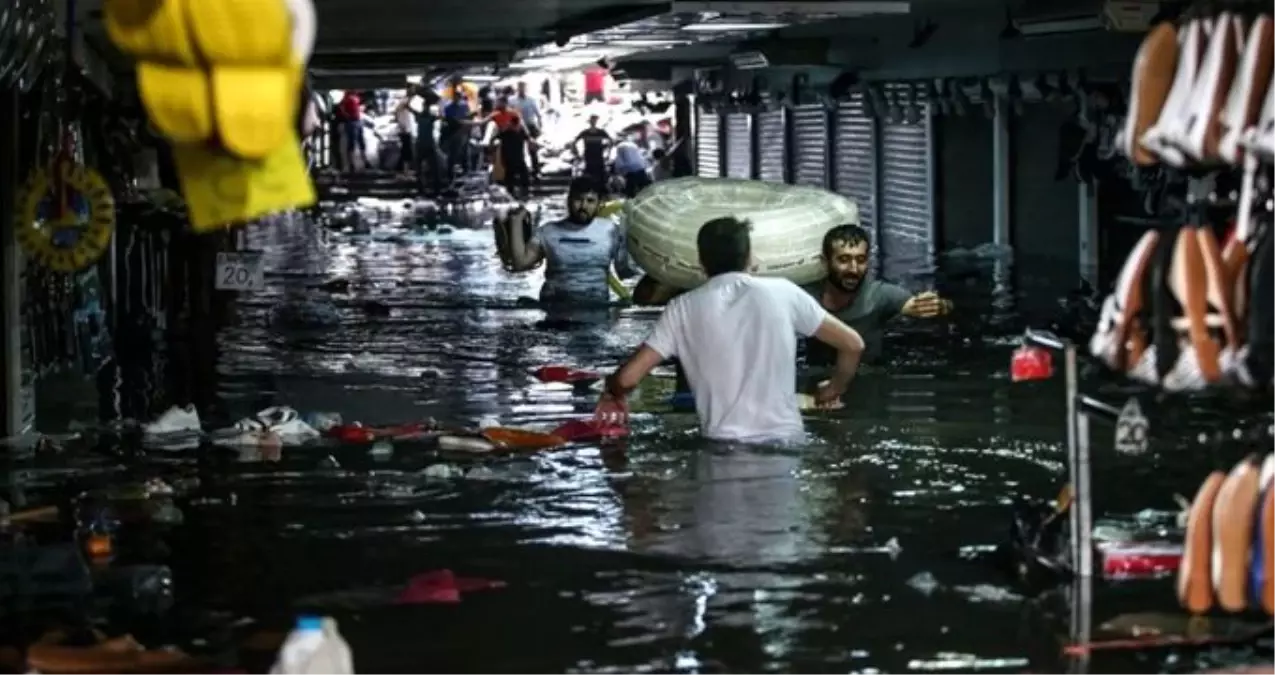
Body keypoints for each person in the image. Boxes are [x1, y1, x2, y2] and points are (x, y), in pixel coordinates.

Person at [595, 217, 866, 442]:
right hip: (786, 442)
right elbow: (853, 344)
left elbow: (628, 378)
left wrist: (612, 393)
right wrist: (832, 389)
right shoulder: (784, 292)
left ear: (701, 262)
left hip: (724, 448)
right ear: (749, 257)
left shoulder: (682, 308)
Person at [804, 224, 953, 366]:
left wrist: (938, 306)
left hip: (868, 374)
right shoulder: (806, 298)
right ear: (825, 262)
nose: (854, 269)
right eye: (844, 260)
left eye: (861, 260)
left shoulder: (878, 296)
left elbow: (915, 304)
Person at [505, 176, 636, 305]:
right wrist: (515, 223)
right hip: (554, 310)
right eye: (578, 200)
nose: (583, 206)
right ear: (568, 200)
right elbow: (520, 263)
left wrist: (634, 237)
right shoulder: (548, 231)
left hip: (596, 310)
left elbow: (625, 272)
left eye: (590, 201)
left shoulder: (612, 231)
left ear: (599, 204)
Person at [509, 80, 543, 177]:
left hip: (530, 126)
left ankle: (536, 170)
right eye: (520, 87)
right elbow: (510, 114)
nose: (521, 89)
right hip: (517, 127)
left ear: (526, 88)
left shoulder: (531, 100)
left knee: (532, 150)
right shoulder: (512, 100)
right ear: (517, 88)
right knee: (518, 150)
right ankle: (520, 171)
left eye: (523, 87)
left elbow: (538, 114)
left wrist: (540, 127)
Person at [496, 115, 533, 200]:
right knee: (510, 176)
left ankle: (525, 192)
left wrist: (531, 144)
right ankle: (510, 193)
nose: (516, 128)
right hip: (508, 157)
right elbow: (496, 138)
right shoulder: (505, 132)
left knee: (524, 175)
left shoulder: (521, 131)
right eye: (514, 126)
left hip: (519, 157)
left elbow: (528, 139)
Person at [573, 115, 612, 194]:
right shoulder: (585, 132)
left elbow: (611, 142)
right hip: (589, 157)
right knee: (590, 175)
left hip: (598, 157)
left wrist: (608, 153)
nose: (593, 122)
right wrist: (577, 154)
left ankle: (601, 192)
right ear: (590, 122)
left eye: (594, 120)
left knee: (600, 175)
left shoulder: (601, 132)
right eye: (592, 120)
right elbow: (574, 143)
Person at [440, 89, 472, 180]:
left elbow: (467, 117)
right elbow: (448, 120)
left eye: (459, 97)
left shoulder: (464, 106)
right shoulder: (448, 107)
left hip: (463, 132)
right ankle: (450, 174)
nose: (457, 98)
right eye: (456, 97)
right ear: (453, 97)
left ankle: (466, 172)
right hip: (453, 133)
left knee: (465, 153)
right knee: (453, 154)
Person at [612, 130, 653, 198]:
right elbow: (640, 157)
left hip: (630, 171)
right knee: (644, 190)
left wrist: (618, 171)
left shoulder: (619, 147)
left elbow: (619, 162)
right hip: (640, 169)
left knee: (631, 192)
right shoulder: (632, 144)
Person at [336, 91, 367, 171]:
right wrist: (347, 116)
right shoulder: (346, 97)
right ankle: (352, 164)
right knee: (352, 143)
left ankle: (364, 162)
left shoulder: (354, 96)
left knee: (361, 142)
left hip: (357, 120)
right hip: (352, 121)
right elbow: (341, 107)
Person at [394, 96, 416, 174]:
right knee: (406, 150)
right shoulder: (403, 103)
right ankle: (405, 170)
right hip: (404, 130)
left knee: (406, 149)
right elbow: (397, 113)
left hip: (406, 130)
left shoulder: (403, 105)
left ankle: (401, 168)